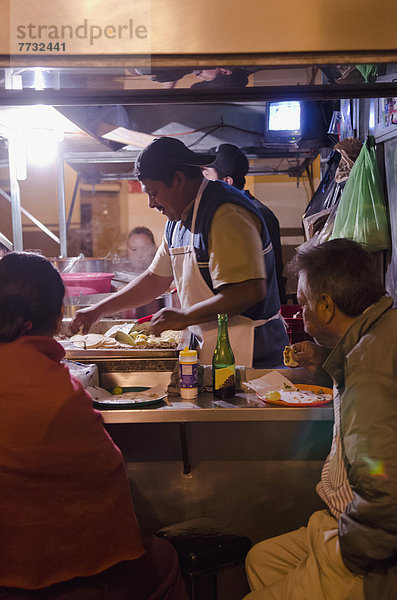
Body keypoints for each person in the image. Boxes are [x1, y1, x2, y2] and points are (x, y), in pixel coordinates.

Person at [0, 252, 188, 600]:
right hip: (54, 578)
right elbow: (106, 475)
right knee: (164, 559)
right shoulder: (56, 389)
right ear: (57, 318)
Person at [244, 239, 397, 600]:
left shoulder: (370, 368)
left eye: (302, 303)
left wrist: (353, 551)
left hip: (364, 548)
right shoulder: (378, 333)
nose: (299, 313)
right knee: (262, 560)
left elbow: (384, 483)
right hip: (339, 522)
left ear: (327, 306)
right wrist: (325, 354)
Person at [71, 137, 288, 368]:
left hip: (251, 353)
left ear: (179, 179)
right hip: (213, 346)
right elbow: (155, 280)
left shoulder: (225, 212)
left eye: (153, 193)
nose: (151, 204)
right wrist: (98, 310)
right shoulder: (177, 220)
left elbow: (248, 290)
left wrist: (184, 317)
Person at [202, 143, 288, 304]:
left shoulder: (258, 214)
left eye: (206, 176)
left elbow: (269, 275)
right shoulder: (219, 214)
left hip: (259, 314)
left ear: (227, 181)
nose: (202, 183)